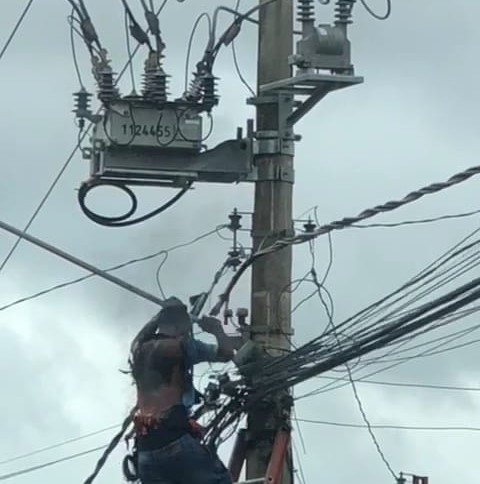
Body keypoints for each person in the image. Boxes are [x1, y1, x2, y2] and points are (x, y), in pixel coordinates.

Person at [128, 297, 235, 484]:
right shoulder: (181, 346)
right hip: (173, 440)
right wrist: (216, 329)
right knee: (220, 480)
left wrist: (159, 316)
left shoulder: (138, 349)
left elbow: (141, 335)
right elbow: (226, 354)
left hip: (145, 449)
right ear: (180, 327)